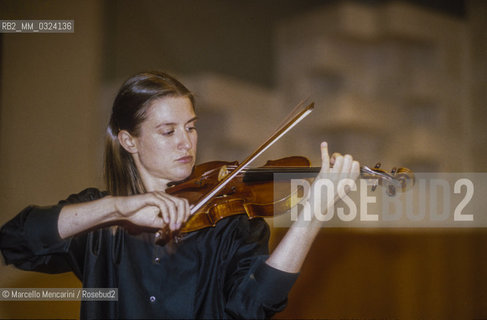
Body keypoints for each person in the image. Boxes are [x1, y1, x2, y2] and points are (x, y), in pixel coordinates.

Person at [0, 71, 360, 319]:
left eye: (190, 127)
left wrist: (312, 216)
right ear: (129, 141)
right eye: (168, 131)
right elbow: (16, 241)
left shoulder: (233, 222)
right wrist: (114, 207)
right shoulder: (102, 221)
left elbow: (253, 307)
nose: (186, 143)